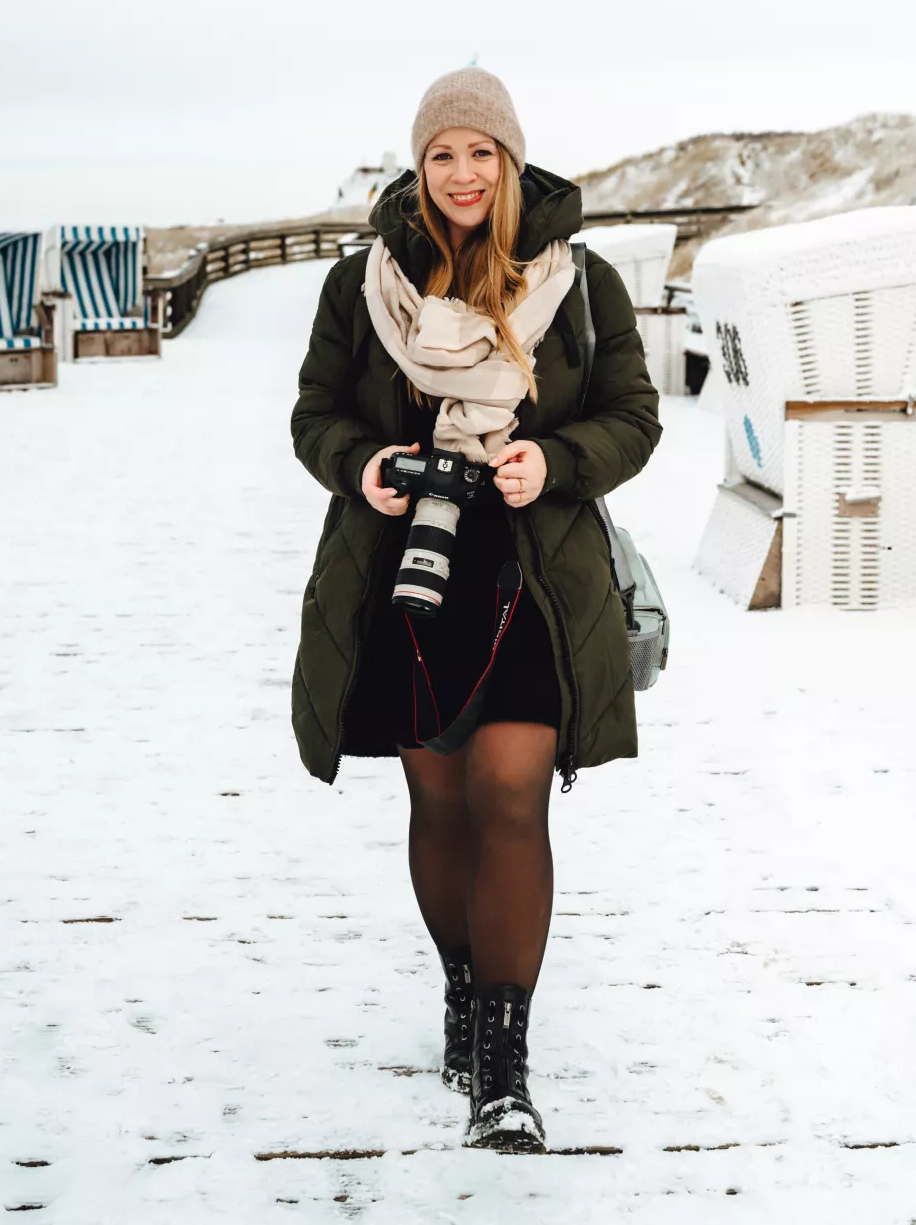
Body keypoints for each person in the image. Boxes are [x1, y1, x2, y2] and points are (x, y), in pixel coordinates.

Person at [290, 67, 661, 1152]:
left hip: (536, 580)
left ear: (510, 164)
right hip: (408, 571)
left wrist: (552, 460)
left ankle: (504, 1064)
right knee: (442, 803)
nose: (461, 172)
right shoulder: (364, 286)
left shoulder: (577, 284)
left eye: (480, 152)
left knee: (511, 796)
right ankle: (461, 988)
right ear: (421, 168)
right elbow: (315, 415)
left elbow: (633, 417)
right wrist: (363, 467)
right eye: (442, 153)